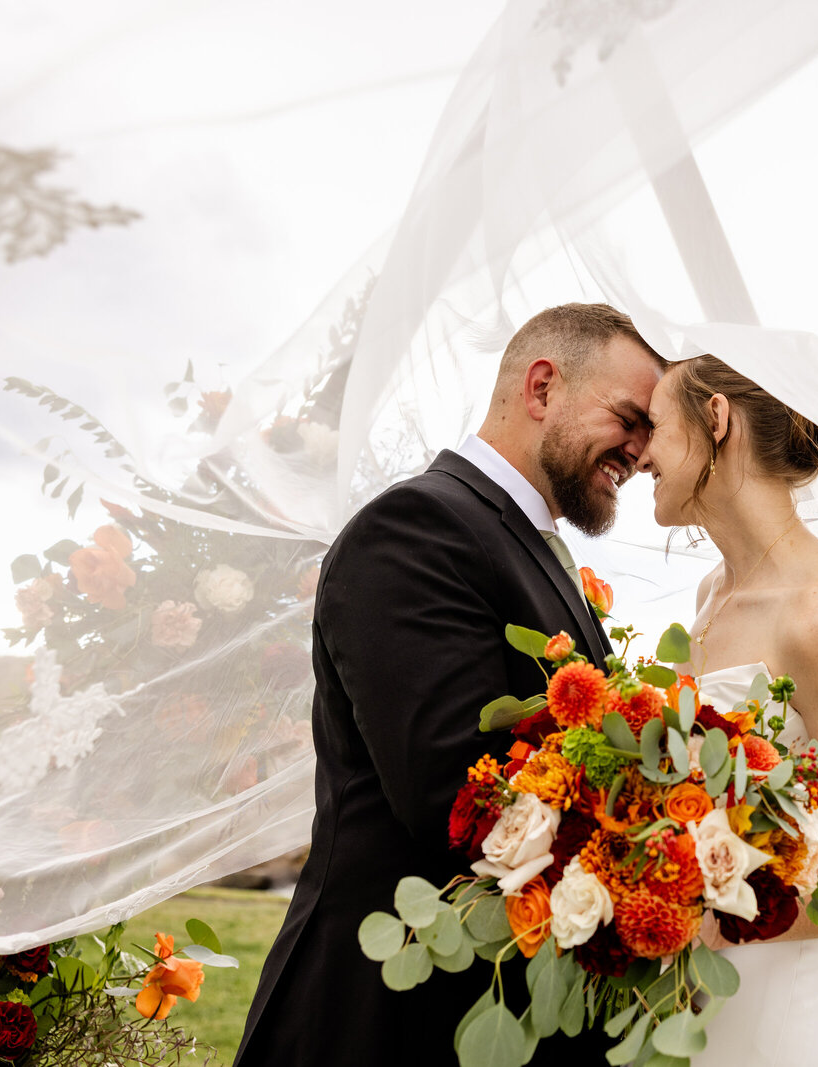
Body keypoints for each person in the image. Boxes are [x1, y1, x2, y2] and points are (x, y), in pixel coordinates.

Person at [233, 303, 664, 1066]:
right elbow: (459, 799)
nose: (641, 451)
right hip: (381, 1017)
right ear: (541, 387)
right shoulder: (417, 528)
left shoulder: (525, 543)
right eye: (629, 418)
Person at [635, 355, 818, 1066]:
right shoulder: (711, 593)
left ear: (716, 418)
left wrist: (714, 913)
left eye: (655, 425)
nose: (642, 453)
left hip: (786, 1009)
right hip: (699, 997)